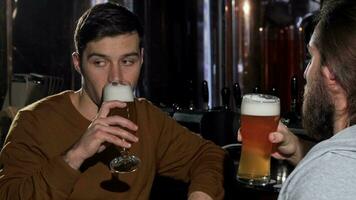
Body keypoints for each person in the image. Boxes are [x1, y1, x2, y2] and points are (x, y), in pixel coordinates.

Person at [0, 3, 226, 200]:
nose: (116, 78)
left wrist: (201, 194)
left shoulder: (148, 119)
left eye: (127, 61)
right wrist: (75, 155)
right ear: (78, 63)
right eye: (100, 62)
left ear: (142, 59)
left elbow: (207, 155)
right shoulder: (33, 121)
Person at [267, 0, 356, 199]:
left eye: (311, 58)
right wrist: (299, 149)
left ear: (331, 74)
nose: (306, 72)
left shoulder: (323, 184)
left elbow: (334, 177)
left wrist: (320, 167)